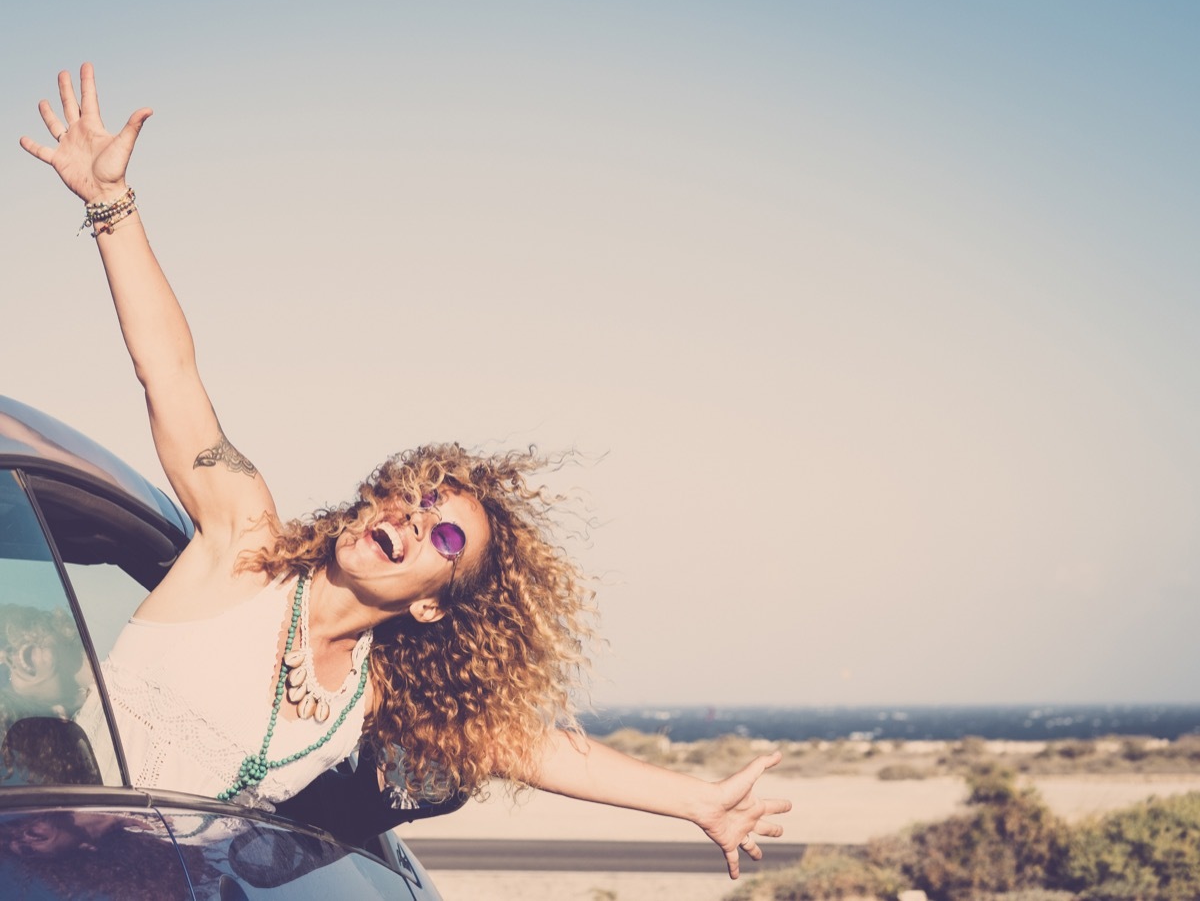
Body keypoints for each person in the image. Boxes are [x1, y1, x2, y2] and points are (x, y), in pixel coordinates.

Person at [19, 64, 790, 878]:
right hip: (37, 865)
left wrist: (700, 802)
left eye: (445, 531)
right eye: (413, 498)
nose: (415, 518)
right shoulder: (243, 546)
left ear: (431, 605)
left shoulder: (368, 697)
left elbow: (533, 748)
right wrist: (110, 206)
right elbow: (171, 374)